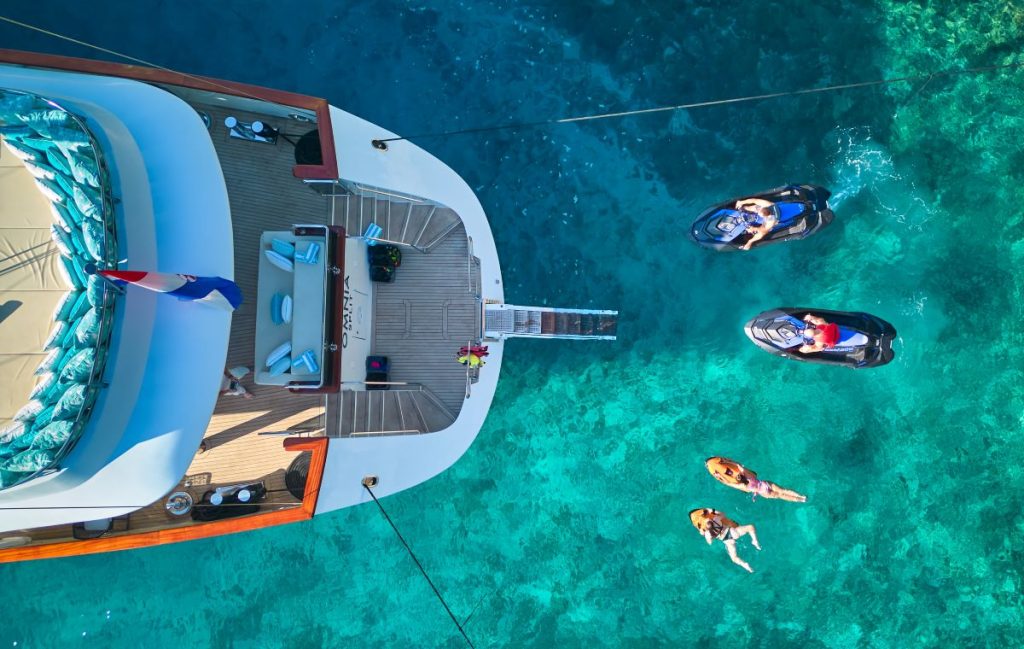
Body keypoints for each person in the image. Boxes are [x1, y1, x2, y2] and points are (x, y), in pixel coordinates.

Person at [705, 457, 807, 502]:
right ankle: (801, 496)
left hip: (763, 492)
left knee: (780, 496)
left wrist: (721, 477)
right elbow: (739, 465)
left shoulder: (744, 486)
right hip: (765, 484)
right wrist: (731, 463)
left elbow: (729, 483)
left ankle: (799, 500)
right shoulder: (748, 474)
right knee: (783, 490)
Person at [689, 508, 761, 573]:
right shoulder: (716, 519)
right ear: (710, 520)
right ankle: (755, 541)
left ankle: (745, 565)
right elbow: (723, 514)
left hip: (727, 541)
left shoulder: (708, 534)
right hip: (733, 533)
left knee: (734, 558)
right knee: (751, 527)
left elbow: (710, 543)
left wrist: (703, 533)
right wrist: (711, 510)